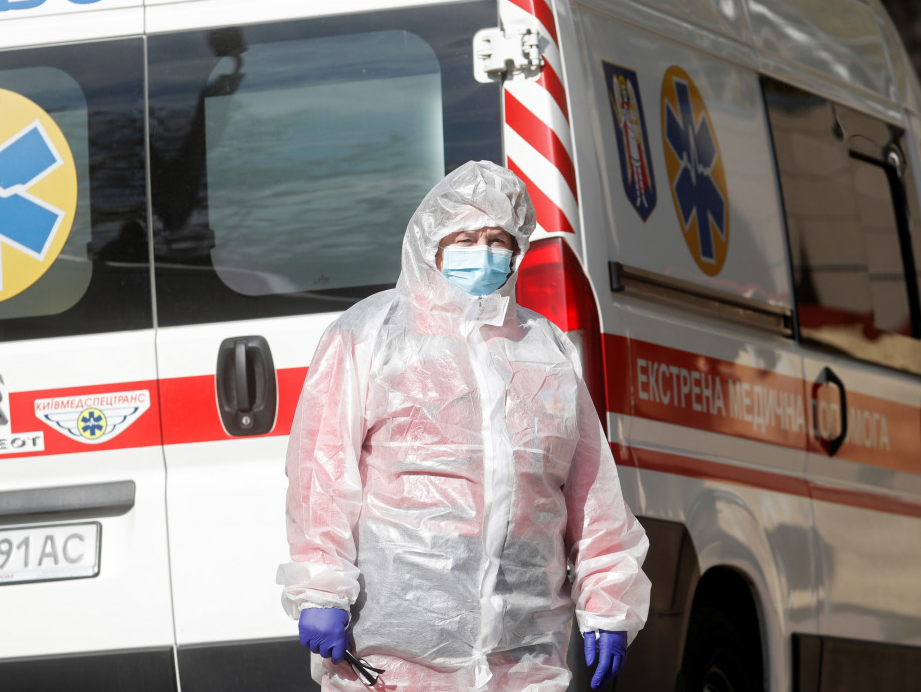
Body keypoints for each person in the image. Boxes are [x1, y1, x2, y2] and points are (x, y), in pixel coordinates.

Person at [277, 161, 650, 691]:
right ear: (431, 243)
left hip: (522, 653)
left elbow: (590, 491)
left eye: (499, 239)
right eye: (467, 237)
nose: (485, 251)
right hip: (394, 650)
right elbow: (324, 471)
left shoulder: (542, 348)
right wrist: (321, 588)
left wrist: (608, 600)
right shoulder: (371, 335)